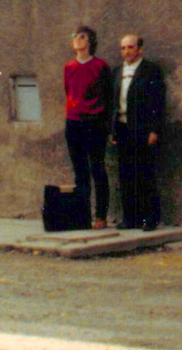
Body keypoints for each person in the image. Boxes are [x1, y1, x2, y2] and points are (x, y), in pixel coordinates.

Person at [111, 33, 165, 231]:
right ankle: (130, 218)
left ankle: (149, 219)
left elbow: (158, 102)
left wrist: (154, 130)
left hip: (143, 129)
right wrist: (114, 132)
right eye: (123, 48)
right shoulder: (117, 72)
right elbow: (113, 103)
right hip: (123, 128)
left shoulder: (150, 70)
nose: (127, 51)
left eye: (130, 47)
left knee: (144, 174)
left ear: (139, 49)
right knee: (126, 175)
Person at [62, 25, 113, 229]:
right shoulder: (69, 67)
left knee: (97, 168)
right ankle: (83, 216)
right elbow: (69, 91)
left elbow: (107, 96)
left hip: (95, 122)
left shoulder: (101, 66)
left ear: (90, 42)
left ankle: (101, 216)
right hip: (73, 121)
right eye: (75, 36)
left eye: (82, 37)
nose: (77, 40)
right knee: (79, 171)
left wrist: (104, 123)